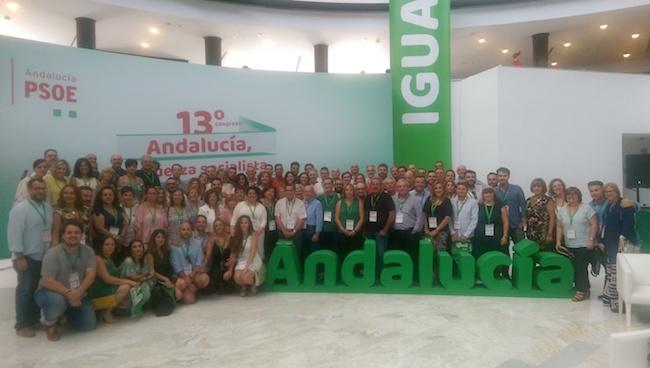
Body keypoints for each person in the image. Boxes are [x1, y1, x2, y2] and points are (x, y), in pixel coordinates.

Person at [34, 222, 96, 341]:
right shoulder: (53, 253)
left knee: (88, 325)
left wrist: (78, 293)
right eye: (69, 233)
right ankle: (49, 322)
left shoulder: (88, 251)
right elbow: (46, 280)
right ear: (63, 235)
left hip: (77, 293)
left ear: (82, 235)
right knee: (58, 301)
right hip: (50, 293)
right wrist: (69, 294)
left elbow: (91, 275)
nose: (73, 235)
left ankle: (63, 314)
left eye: (77, 233)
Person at [7, 178, 53, 337]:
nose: (40, 191)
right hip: (26, 257)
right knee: (25, 291)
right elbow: (14, 235)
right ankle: (21, 324)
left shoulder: (47, 208)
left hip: (43, 257)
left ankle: (34, 320)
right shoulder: (20, 210)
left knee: (36, 290)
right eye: (36, 188)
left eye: (42, 188)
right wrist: (19, 257)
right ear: (28, 189)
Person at [556, 187, 597, 302]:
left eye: (574, 195)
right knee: (575, 267)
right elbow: (559, 227)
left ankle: (581, 291)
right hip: (569, 244)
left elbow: (594, 224)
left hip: (584, 244)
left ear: (579, 196)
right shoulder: (563, 210)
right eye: (569, 196)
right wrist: (558, 241)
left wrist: (591, 239)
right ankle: (585, 288)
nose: (571, 198)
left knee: (581, 267)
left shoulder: (586, 208)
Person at [600, 183, 637, 312]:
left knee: (620, 272)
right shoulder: (608, 205)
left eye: (611, 191)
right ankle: (612, 299)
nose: (608, 193)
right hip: (610, 241)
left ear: (617, 191)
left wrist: (622, 238)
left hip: (621, 242)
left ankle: (621, 303)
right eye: (606, 192)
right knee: (611, 272)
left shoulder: (624, 204)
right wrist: (602, 241)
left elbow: (629, 223)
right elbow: (605, 225)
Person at [89, 236, 136, 323]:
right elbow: (107, 279)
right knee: (126, 287)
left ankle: (106, 311)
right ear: (101, 246)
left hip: (109, 288)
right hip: (99, 291)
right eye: (107, 244)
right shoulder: (98, 259)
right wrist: (129, 281)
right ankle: (106, 313)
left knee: (128, 303)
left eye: (112, 244)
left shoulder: (109, 258)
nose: (110, 247)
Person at [224, 215, 265, 296]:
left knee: (245, 277)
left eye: (246, 223)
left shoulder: (253, 235)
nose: (244, 224)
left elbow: (253, 252)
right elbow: (233, 254)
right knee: (237, 278)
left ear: (249, 224)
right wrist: (230, 270)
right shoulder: (235, 237)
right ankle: (244, 287)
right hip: (241, 260)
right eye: (241, 223)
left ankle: (253, 285)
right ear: (239, 224)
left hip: (253, 260)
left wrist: (247, 267)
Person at [170, 222, 210, 304]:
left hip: (193, 274)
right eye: (183, 229)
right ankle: (189, 289)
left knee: (205, 279)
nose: (186, 231)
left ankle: (194, 288)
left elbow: (199, 262)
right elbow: (176, 266)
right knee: (189, 300)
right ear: (179, 231)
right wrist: (185, 277)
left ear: (192, 231)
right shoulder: (174, 246)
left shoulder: (197, 243)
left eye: (188, 229)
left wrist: (192, 275)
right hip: (181, 276)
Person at [364, 178, 395, 273]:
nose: (375, 186)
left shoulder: (387, 197)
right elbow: (365, 213)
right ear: (371, 186)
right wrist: (364, 230)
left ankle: (384, 273)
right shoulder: (368, 197)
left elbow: (392, 214)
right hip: (369, 232)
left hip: (381, 232)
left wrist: (385, 230)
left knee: (381, 253)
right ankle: (373, 272)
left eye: (377, 184)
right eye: (373, 184)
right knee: (371, 254)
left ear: (382, 185)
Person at [391, 179, 422, 269]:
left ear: (408, 187)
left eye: (404, 186)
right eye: (400, 186)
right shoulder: (393, 198)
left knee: (411, 255)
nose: (402, 188)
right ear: (397, 188)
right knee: (397, 255)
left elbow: (420, 216)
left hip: (410, 232)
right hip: (396, 232)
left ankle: (412, 275)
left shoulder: (416, 199)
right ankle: (398, 274)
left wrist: (415, 229)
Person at [473, 187, 509, 261]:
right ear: (483, 195)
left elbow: (505, 222)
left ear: (494, 194)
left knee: (496, 257)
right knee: (481, 256)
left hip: (497, 236)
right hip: (480, 236)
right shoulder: (478, 206)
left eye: (490, 193)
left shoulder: (500, 206)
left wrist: (505, 236)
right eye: (486, 193)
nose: (488, 195)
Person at [231, 187, 267, 258]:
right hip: (242, 233)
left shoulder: (261, 207)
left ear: (257, 195)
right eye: (250, 193)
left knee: (258, 252)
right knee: (243, 252)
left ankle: (257, 267)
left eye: (254, 193)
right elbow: (234, 218)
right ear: (246, 195)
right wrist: (232, 229)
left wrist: (261, 229)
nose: (252, 195)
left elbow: (264, 220)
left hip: (257, 233)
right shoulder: (240, 205)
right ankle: (243, 266)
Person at [275, 184, 307, 261]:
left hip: (296, 233)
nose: (289, 192)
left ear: (294, 191)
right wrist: (284, 231)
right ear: (285, 192)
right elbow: (277, 218)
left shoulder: (300, 203)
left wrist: (294, 231)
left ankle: (296, 270)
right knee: (283, 252)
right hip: (282, 232)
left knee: (296, 252)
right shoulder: (279, 202)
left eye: (291, 190)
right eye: (287, 190)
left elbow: (302, 219)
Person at [119, 239, 153, 313]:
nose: (138, 248)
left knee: (148, 285)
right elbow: (133, 277)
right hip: (124, 284)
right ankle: (133, 309)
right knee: (145, 290)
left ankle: (136, 307)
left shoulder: (141, 259)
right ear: (131, 250)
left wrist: (145, 275)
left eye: (140, 246)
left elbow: (149, 273)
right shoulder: (129, 260)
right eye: (134, 247)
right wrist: (145, 274)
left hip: (136, 282)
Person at [494, 167, 526, 243]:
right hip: (501, 224)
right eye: (500, 176)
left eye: (504, 176)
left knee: (520, 246)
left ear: (508, 176)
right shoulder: (494, 191)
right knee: (503, 248)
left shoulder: (517, 189)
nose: (502, 178)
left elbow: (523, 205)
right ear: (497, 177)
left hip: (516, 224)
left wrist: (523, 221)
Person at [147, 229, 180, 301]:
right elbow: (151, 272)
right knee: (178, 295)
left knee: (180, 291)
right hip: (158, 280)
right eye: (158, 237)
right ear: (153, 239)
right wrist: (165, 279)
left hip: (168, 276)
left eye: (163, 237)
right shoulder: (150, 253)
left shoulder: (165, 250)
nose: (161, 239)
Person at [335, 184, 365, 261]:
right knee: (343, 253)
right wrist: (343, 229)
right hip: (342, 232)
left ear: (354, 191)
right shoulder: (339, 202)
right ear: (344, 192)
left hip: (355, 233)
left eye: (351, 190)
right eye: (347, 190)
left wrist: (355, 231)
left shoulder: (359, 202)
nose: (349, 192)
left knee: (355, 254)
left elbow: (362, 218)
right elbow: (336, 218)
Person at [525, 178, 556, 250]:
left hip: (543, 233)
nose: (536, 188)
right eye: (534, 186)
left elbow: (552, 218)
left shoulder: (548, 200)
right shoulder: (528, 200)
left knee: (543, 256)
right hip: (531, 233)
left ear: (543, 188)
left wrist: (549, 234)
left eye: (539, 186)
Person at [422, 182, 453, 252]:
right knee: (428, 252)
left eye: (440, 188)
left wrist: (436, 230)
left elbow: (447, 218)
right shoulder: (429, 199)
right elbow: (424, 214)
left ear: (443, 189)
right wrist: (426, 229)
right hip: (428, 231)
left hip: (441, 232)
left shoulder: (446, 201)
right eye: (435, 188)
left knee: (440, 253)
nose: (438, 190)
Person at [450, 182, 479, 253]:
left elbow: (474, 220)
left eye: (463, 189)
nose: (461, 191)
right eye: (459, 189)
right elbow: (449, 219)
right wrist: (452, 232)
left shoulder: (473, 202)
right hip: (454, 235)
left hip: (468, 235)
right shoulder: (452, 201)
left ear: (467, 190)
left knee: (467, 257)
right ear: (456, 190)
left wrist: (466, 235)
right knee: (455, 257)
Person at [205, 219, 231, 293]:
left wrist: (230, 269)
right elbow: (207, 256)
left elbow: (234, 255)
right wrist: (203, 266)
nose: (219, 227)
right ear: (214, 228)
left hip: (227, 264)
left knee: (229, 288)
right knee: (216, 276)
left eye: (220, 225)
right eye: (216, 226)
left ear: (224, 226)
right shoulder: (211, 239)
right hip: (216, 265)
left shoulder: (230, 238)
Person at [318, 178, 339, 254]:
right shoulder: (319, 198)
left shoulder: (339, 197)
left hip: (335, 229)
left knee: (335, 251)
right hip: (323, 229)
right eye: (325, 184)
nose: (327, 185)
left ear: (333, 185)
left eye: (329, 183)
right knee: (323, 251)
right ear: (323, 185)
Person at [303, 185, 323, 256]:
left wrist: (317, 233)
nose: (307, 193)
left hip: (312, 230)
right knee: (304, 250)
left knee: (313, 251)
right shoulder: (302, 202)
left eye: (309, 191)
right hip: (303, 229)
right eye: (305, 191)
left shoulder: (317, 203)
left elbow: (319, 219)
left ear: (313, 193)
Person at [261, 186, 278, 261]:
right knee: (265, 247)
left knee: (273, 247)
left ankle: (273, 263)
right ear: (264, 193)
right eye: (269, 191)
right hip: (264, 229)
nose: (271, 193)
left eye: (273, 191)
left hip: (274, 229)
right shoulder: (260, 202)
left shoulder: (276, 202)